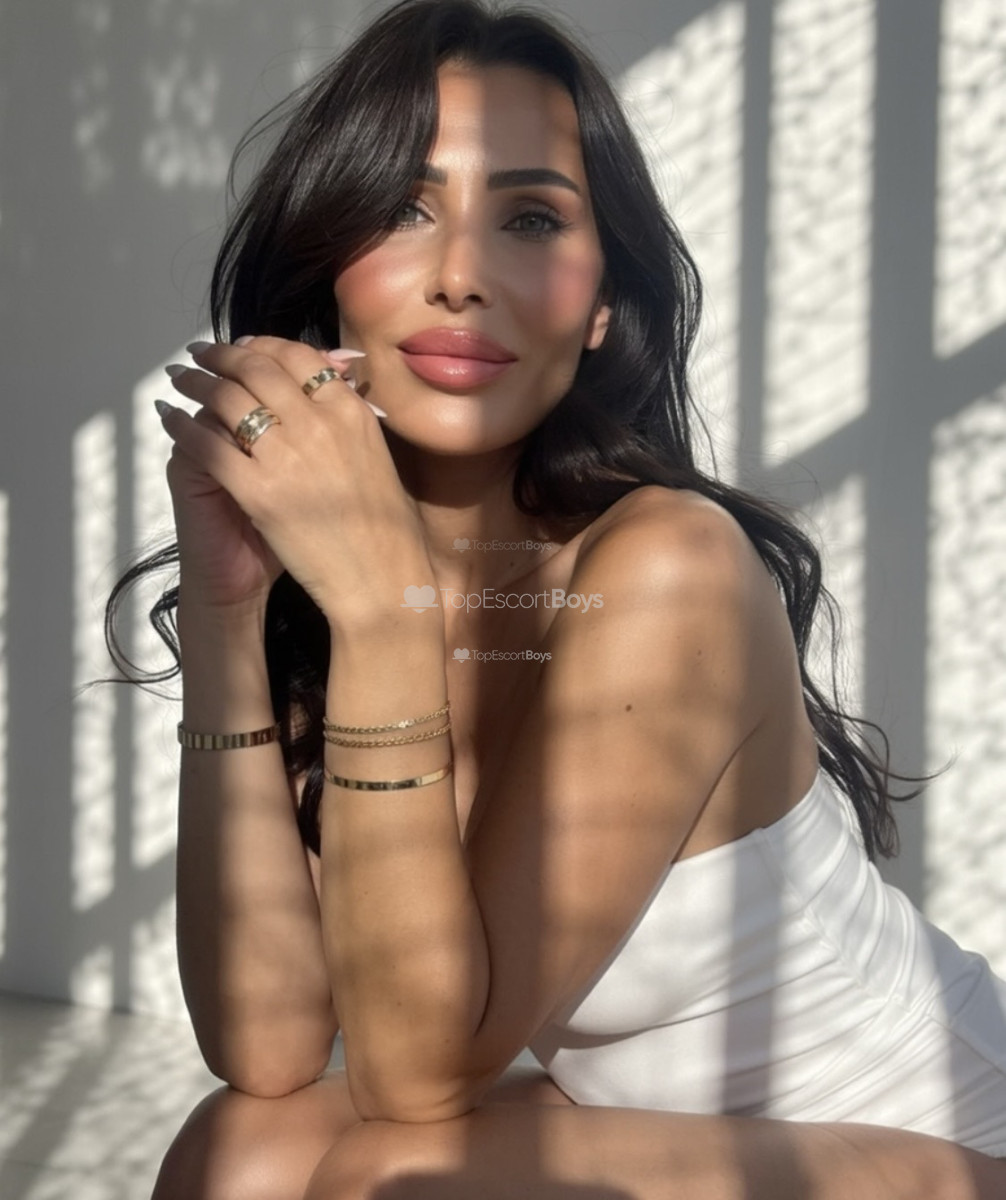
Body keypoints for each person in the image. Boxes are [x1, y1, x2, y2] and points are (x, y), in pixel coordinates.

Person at [103, 1, 1006, 1196]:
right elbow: (266, 1047)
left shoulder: (668, 565)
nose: (462, 277)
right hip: (689, 1136)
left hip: (949, 1140)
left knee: (387, 1178)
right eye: (404, 209)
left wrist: (383, 614)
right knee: (239, 1154)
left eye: (529, 219)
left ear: (599, 307)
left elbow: (419, 1080)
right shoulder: (338, 572)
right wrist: (231, 611)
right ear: (330, 276)